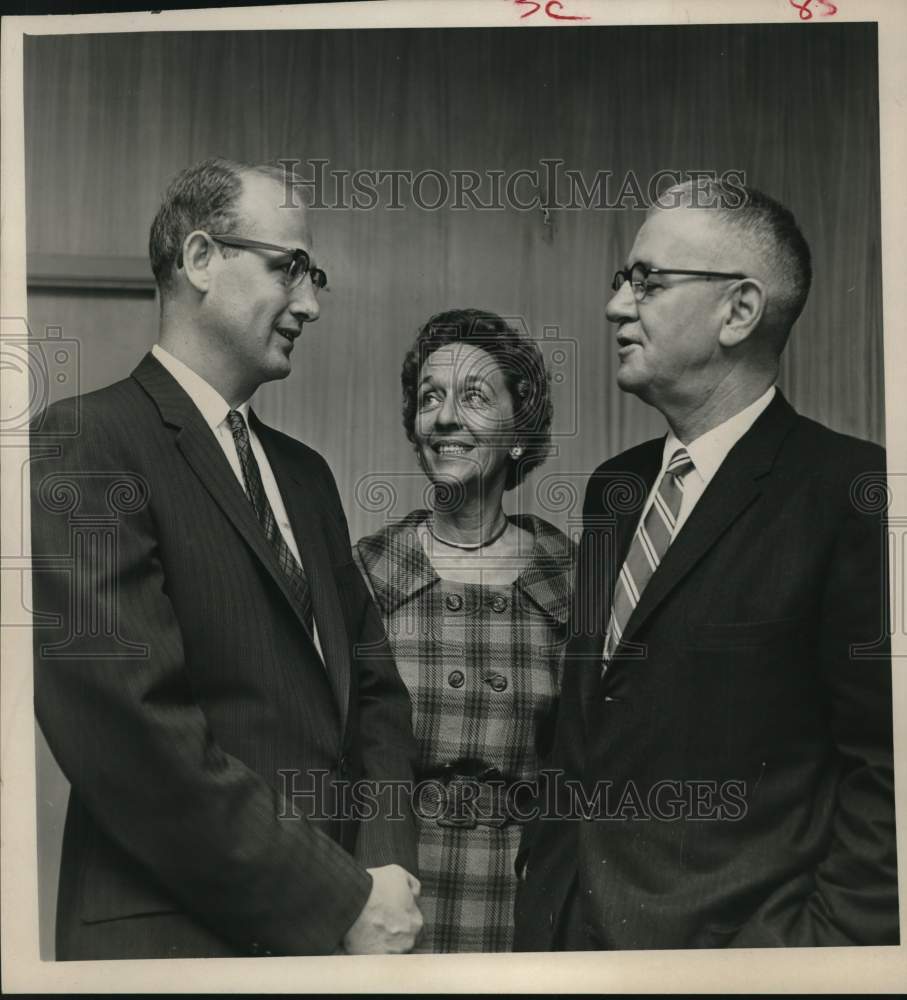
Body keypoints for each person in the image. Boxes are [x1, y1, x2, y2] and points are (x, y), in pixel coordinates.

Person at [30, 157, 422, 959]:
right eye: (289, 269)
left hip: (341, 940)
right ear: (201, 259)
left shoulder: (305, 476)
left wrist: (380, 870)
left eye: (315, 277)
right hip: (179, 944)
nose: (309, 303)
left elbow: (373, 696)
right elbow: (130, 733)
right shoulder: (86, 442)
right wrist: (338, 898)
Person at [514, 180, 898, 949]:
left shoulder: (852, 495)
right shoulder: (613, 491)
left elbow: (887, 770)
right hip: (567, 940)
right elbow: (588, 728)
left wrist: (809, 958)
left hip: (735, 956)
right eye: (621, 281)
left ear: (739, 311)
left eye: (646, 282)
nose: (616, 306)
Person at [353, 309, 576, 952]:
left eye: (474, 396)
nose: (445, 417)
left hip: (529, 903)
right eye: (430, 398)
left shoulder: (571, 578)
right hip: (395, 899)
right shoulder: (369, 571)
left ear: (518, 433)